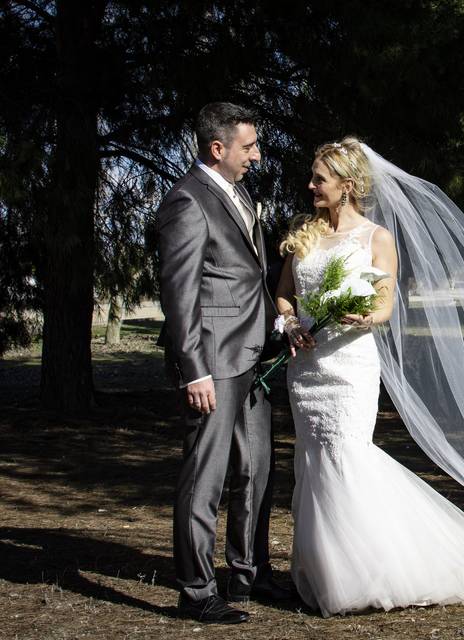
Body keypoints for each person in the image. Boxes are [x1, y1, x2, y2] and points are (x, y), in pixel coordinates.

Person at [275, 138, 464, 616]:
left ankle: (366, 570)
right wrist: (288, 322)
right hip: (305, 367)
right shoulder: (305, 235)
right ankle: (321, 568)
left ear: (347, 186)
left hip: (350, 366)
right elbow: (285, 293)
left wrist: (360, 316)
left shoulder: (376, 239)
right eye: (312, 178)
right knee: (312, 461)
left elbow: (385, 304)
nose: (310, 186)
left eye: (319, 179)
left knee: (348, 455)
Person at [156, 102, 291, 625]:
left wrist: (280, 327)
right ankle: (195, 590)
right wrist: (194, 369)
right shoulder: (188, 202)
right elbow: (180, 293)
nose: (257, 155)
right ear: (219, 148)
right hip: (213, 361)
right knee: (205, 477)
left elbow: (249, 276)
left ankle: (247, 573)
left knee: (257, 470)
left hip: (253, 356)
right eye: (249, 146)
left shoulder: (239, 196)